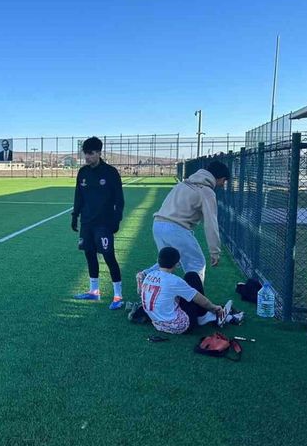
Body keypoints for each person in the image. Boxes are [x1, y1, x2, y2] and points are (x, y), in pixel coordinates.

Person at [136, 161, 230, 291]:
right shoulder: (207, 192)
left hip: (158, 224)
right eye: (224, 181)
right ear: (219, 178)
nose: (223, 185)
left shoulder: (183, 184)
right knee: (197, 263)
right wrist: (215, 251)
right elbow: (211, 223)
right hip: (176, 228)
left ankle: (145, 275)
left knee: (170, 261)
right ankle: (194, 300)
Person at [131, 247, 242, 334]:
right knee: (192, 276)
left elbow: (141, 292)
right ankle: (204, 316)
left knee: (177, 294)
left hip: (158, 323)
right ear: (177, 264)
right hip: (181, 326)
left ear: (158, 261)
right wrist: (214, 308)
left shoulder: (149, 275)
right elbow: (200, 299)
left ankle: (210, 315)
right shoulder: (174, 281)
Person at [71, 136, 126, 310]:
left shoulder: (110, 172)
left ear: (99, 153)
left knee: (109, 257)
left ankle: (118, 296)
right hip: (87, 222)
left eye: (91, 153)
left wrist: (117, 219)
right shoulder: (83, 172)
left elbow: (119, 199)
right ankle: (94, 291)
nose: (87, 157)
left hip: (104, 223)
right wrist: (75, 215)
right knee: (89, 254)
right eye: (85, 153)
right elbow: (78, 196)